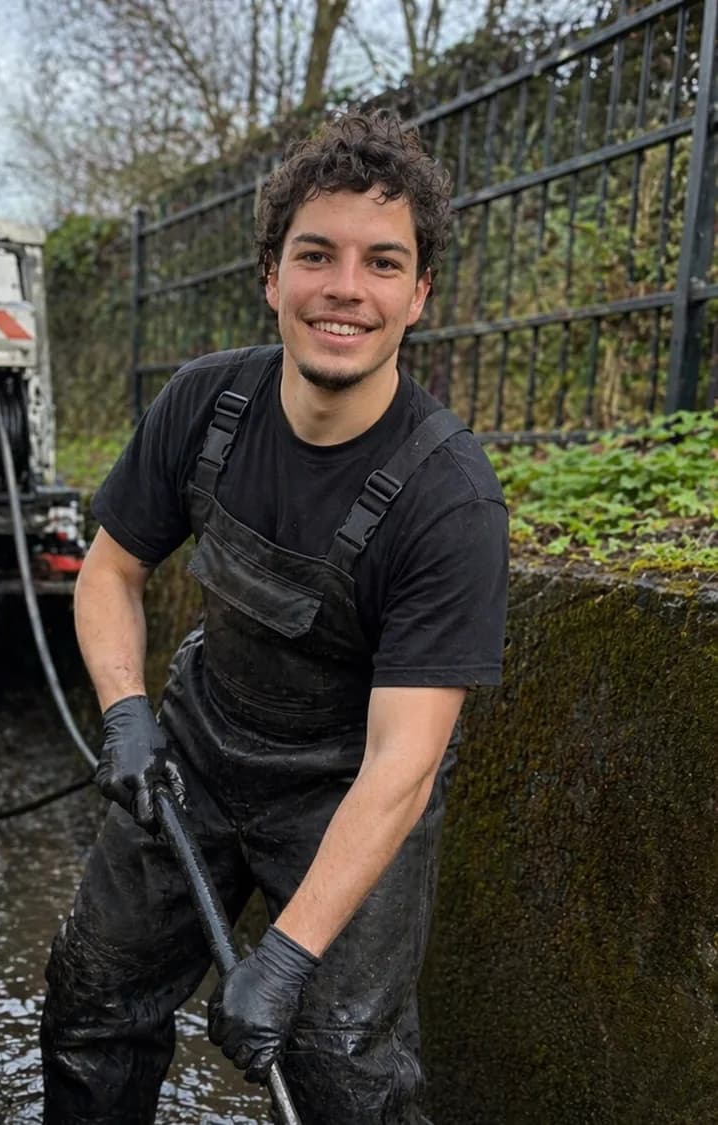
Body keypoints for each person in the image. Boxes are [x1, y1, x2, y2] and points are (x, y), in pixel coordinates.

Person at [40, 110, 509, 1124]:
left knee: (340, 1067)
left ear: (419, 294)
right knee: (91, 1000)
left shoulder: (450, 502)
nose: (347, 287)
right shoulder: (206, 406)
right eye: (316, 254)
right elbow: (110, 571)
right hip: (196, 751)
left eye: (383, 262)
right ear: (271, 275)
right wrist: (127, 714)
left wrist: (288, 955)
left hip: (348, 791)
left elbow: (403, 764)